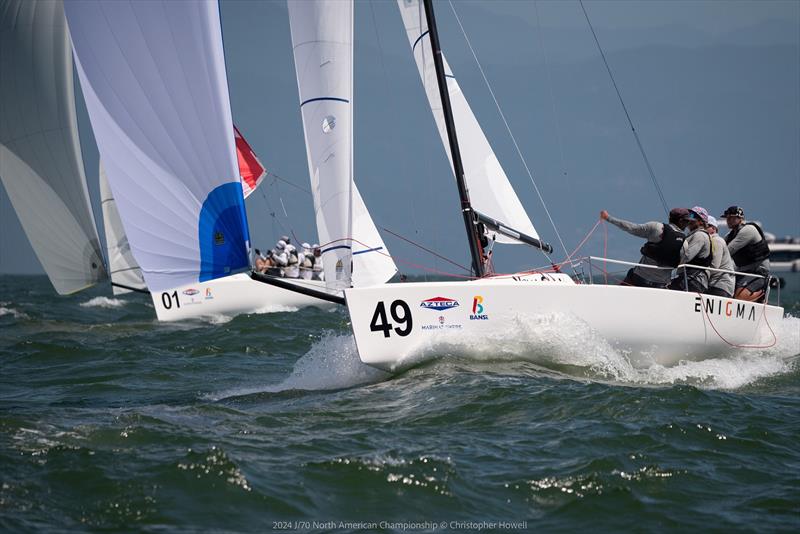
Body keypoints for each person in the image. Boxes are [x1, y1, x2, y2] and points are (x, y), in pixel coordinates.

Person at [600, 207, 689, 288]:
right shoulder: (685, 244)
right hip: (660, 285)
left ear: (670, 218)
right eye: (687, 221)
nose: (687, 224)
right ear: (681, 221)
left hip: (639, 279)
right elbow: (680, 264)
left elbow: (631, 228)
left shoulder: (657, 227)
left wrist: (608, 218)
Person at [721, 205, 770, 302]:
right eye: (727, 218)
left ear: (740, 218)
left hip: (758, 272)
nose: (728, 220)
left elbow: (727, 251)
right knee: (723, 290)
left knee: (739, 297)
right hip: (742, 272)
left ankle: (761, 296)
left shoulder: (748, 230)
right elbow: (720, 248)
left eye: (731, 218)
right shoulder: (730, 235)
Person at [669, 206, 714, 293]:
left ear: (701, 221)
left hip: (694, 281)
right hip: (689, 279)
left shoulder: (700, 235)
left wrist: (666, 262)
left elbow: (686, 256)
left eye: (693, 216)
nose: (689, 219)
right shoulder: (694, 235)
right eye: (689, 215)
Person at [705, 216, 735, 298]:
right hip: (715, 283)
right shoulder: (710, 241)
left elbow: (714, 266)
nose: (703, 229)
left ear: (714, 228)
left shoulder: (716, 240)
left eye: (706, 226)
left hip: (720, 285)